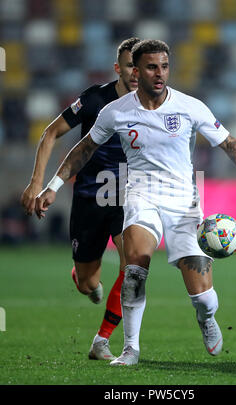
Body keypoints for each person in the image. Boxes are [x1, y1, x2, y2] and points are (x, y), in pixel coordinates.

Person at [34, 39, 236, 366]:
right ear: (136, 71)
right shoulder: (115, 111)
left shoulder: (190, 107)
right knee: (135, 267)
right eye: (151, 67)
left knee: (202, 295)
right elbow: (83, 150)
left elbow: (228, 142)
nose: (159, 73)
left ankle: (206, 318)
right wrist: (52, 185)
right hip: (141, 195)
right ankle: (130, 349)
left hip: (183, 200)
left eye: (164, 66)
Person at [21, 37, 141, 361]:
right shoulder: (94, 100)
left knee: (135, 266)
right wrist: (37, 183)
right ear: (118, 68)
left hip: (129, 198)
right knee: (89, 284)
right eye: (130, 65)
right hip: (91, 197)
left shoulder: (154, 105)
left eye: (141, 65)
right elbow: (50, 133)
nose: (136, 72)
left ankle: (102, 341)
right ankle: (82, 277)